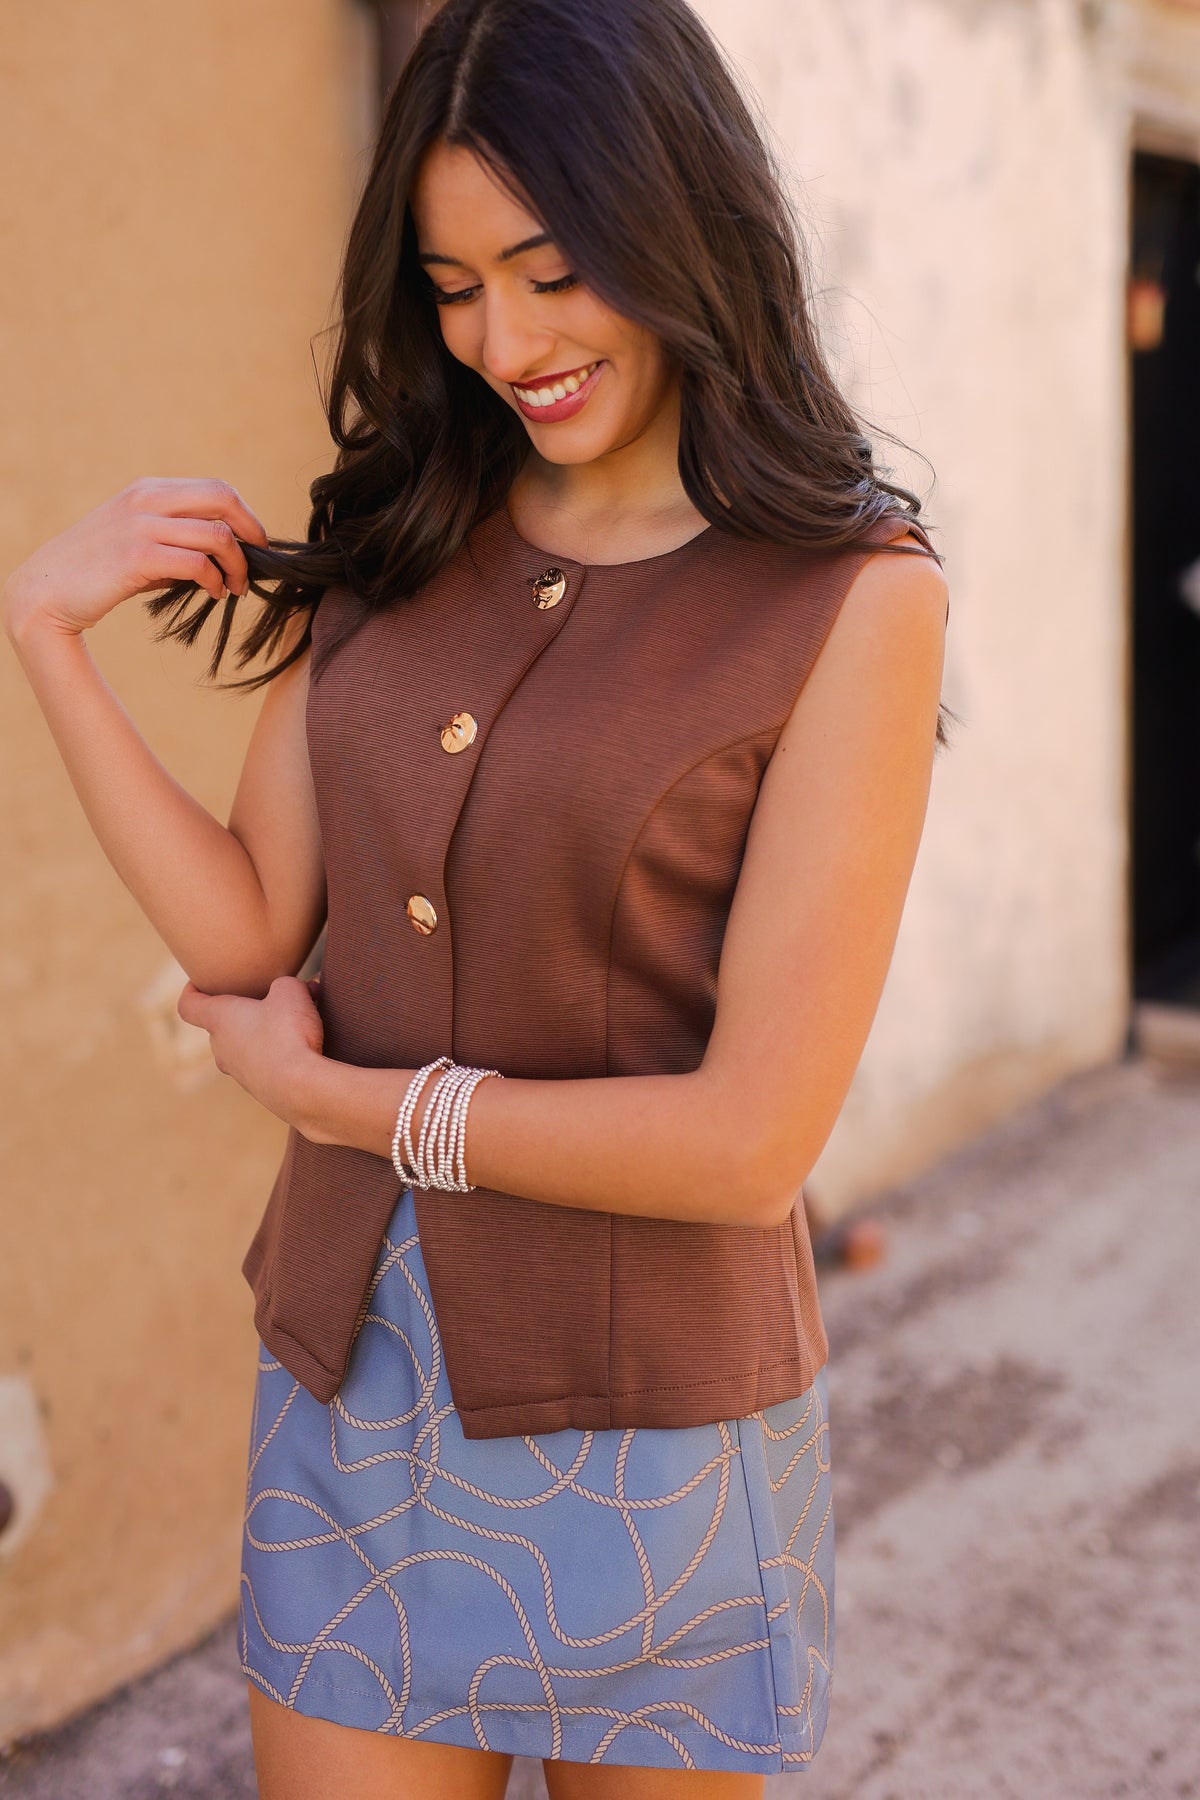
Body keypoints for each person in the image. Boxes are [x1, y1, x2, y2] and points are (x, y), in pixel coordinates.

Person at [2, 0, 950, 1793]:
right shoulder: (407, 530)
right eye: (450, 287)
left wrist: (335, 1101)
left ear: (674, 219)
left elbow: (750, 1141)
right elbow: (245, 930)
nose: (503, 340)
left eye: (547, 267)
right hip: (352, 1389)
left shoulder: (850, 599)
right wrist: (46, 639)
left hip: (658, 1429)